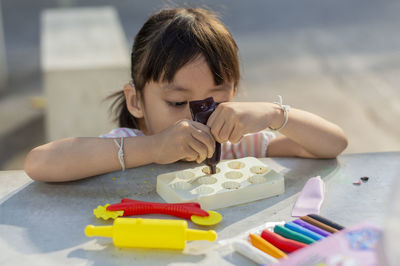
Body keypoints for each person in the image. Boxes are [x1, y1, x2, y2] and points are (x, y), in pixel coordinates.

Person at [24, 8, 348, 182]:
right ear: (136, 100)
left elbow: (333, 145)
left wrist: (275, 115)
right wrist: (152, 148)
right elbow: (40, 163)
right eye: (177, 102)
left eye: (216, 100)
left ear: (233, 93)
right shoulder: (128, 143)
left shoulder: (239, 145)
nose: (198, 117)